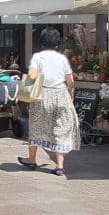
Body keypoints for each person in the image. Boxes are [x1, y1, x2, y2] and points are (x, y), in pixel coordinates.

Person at [19, 27, 80, 176]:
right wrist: (71, 94)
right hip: (61, 94)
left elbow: (32, 76)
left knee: (37, 126)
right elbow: (70, 81)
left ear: (42, 41)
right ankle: (59, 166)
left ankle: (32, 159)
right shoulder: (62, 59)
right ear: (57, 42)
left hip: (43, 95)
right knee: (61, 129)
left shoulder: (38, 57)